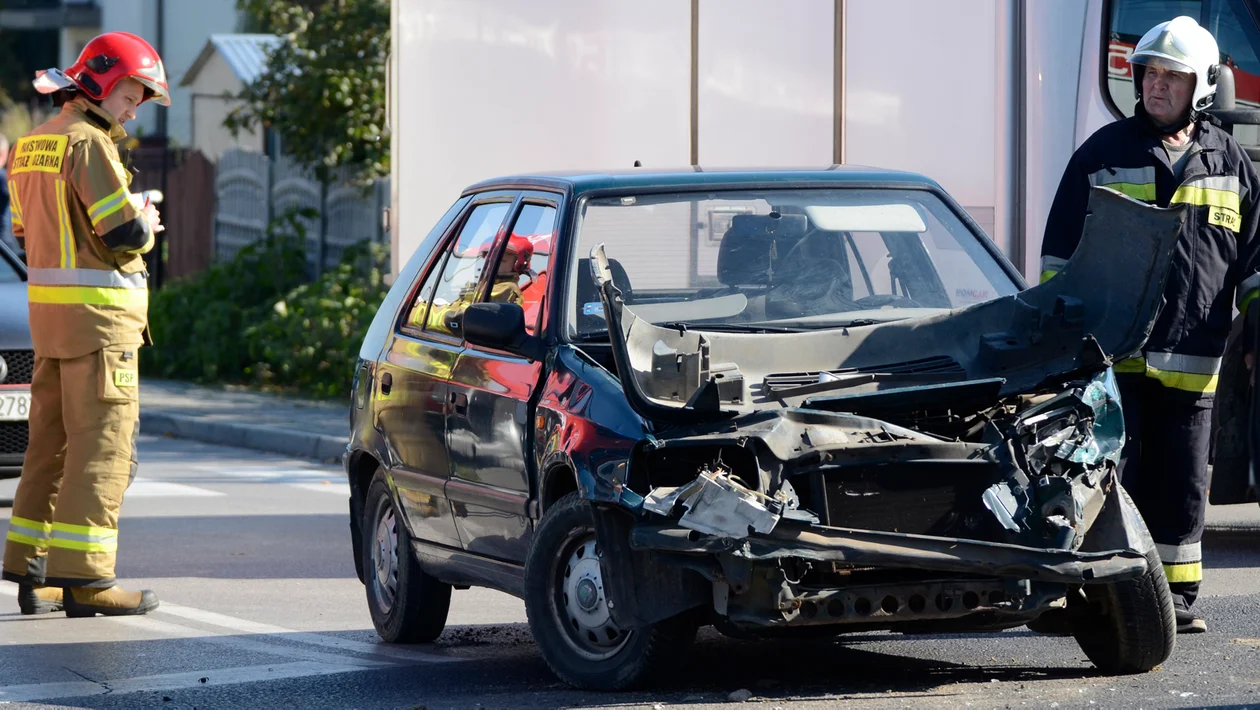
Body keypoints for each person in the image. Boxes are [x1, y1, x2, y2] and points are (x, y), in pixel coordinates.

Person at [1038, 16, 1260, 634]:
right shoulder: (1102, 155)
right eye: (1149, 73)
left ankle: (1177, 602)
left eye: (1172, 76)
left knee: (1183, 488)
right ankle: (1089, 599)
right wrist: (1062, 341)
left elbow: (1255, 266)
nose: (1156, 86)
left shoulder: (1233, 164)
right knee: (1104, 483)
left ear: (1203, 88)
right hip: (1113, 362)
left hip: (1195, 364)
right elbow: (1058, 260)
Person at [2, 32, 169, 617]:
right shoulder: (90, 145)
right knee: (102, 450)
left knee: (48, 447)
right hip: (101, 330)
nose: (133, 108)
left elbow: (26, 234)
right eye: (131, 93)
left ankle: (33, 569)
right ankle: (88, 580)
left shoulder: (29, 147)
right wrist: (144, 217)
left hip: (50, 328)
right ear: (101, 81)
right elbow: (122, 235)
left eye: (141, 99)